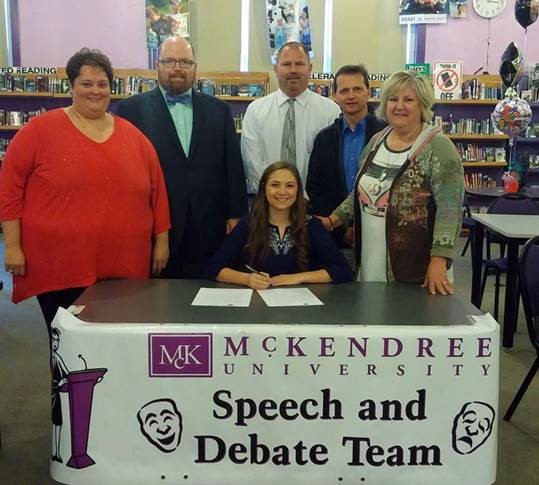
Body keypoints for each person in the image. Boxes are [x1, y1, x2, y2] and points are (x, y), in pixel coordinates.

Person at [0, 48, 170, 338]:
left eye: (102, 84)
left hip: (123, 264)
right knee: (65, 342)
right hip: (58, 265)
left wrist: (162, 241)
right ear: (71, 86)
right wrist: (13, 246)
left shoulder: (135, 138)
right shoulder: (38, 131)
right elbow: (10, 189)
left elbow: (157, 192)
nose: (95, 91)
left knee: (117, 340)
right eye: (86, 83)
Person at [117, 36, 248, 278]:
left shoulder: (219, 110)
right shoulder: (130, 110)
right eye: (169, 61)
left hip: (210, 220)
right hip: (157, 224)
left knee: (208, 292)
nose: (177, 68)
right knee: (159, 299)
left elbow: (232, 164)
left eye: (185, 62)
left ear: (195, 67)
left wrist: (236, 213)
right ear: (157, 65)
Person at [325, 71, 464, 295]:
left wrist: (439, 260)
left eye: (408, 100)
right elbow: (361, 193)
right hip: (371, 259)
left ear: (423, 105)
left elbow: (450, 209)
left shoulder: (438, 147)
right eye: (393, 99)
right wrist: (333, 220)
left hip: (416, 268)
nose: (399, 106)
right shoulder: (377, 141)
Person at [207, 161, 353, 289]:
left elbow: (342, 270)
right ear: (264, 189)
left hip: (302, 310)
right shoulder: (248, 224)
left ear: (298, 190)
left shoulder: (312, 226)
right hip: (256, 309)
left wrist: (297, 278)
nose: (282, 192)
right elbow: (215, 267)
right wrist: (247, 279)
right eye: (275, 185)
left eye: (289, 185)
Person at [241, 42, 341, 192]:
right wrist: (275, 196)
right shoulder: (256, 110)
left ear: (310, 68)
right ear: (276, 69)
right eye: (286, 64)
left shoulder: (330, 111)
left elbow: (332, 164)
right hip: (269, 203)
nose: (293, 70)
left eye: (299, 64)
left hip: (315, 205)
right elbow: (252, 162)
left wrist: (307, 199)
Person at [306, 64, 386, 246]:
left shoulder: (386, 135)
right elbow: (314, 188)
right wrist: (341, 226)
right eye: (344, 90)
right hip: (333, 233)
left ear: (368, 92)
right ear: (335, 95)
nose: (351, 95)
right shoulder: (324, 139)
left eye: (357, 89)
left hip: (379, 231)